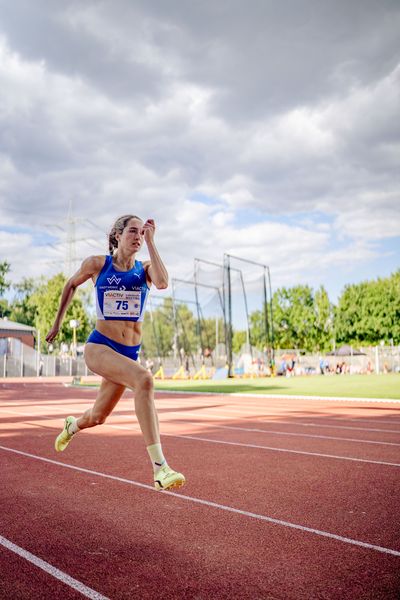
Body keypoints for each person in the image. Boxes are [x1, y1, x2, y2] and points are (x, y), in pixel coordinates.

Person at [46, 214, 185, 491]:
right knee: (144, 380)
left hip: (126, 354)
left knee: (98, 416)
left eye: (141, 234)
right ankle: (161, 469)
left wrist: (153, 242)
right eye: (132, 231)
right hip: (99, 347)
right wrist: (58, 322)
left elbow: (162, 283)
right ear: (117, 236)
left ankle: (72, 426)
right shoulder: (98, 264)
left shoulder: (144, 270)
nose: (138, 237)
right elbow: (70, 284)